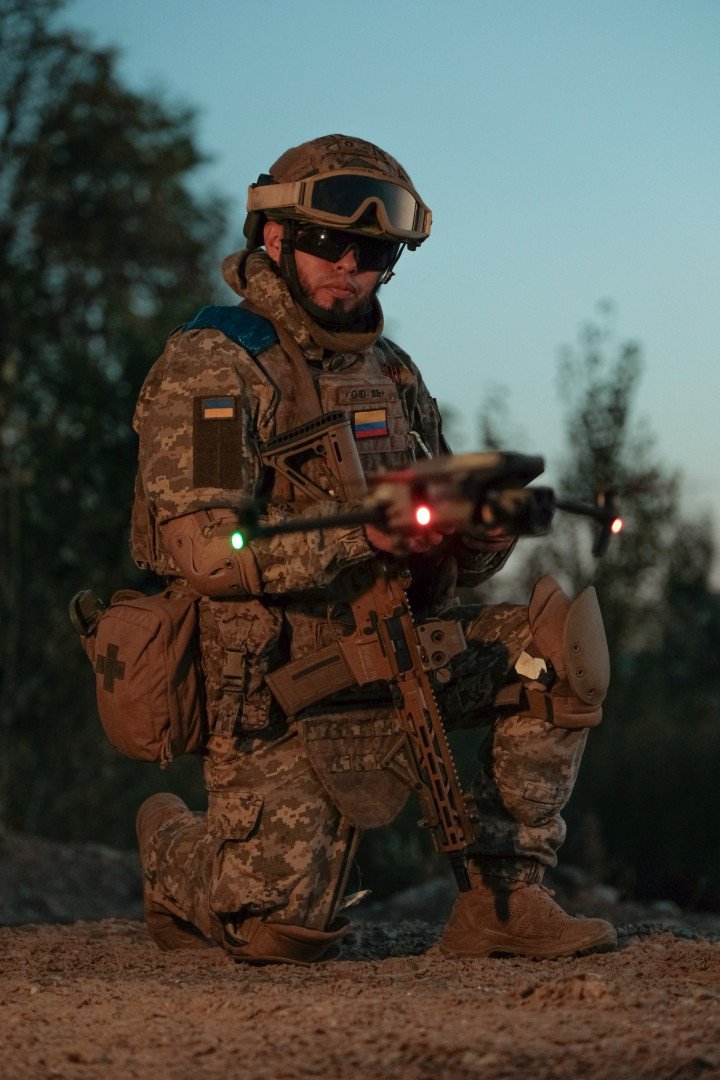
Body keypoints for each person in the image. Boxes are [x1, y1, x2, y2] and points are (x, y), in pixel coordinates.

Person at [131, 133, 616, 963]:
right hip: (279, 680)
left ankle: (504, 897)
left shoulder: (392, 374)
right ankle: (171, 849)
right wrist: (359, 536)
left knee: (557, 651)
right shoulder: (215, 366)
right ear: (275, 238)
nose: (350, 265)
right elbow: (208, 553)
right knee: (285, 931)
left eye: (374, 250)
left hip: (398, 647)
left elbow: (443, 558)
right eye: (328, 242)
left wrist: (479, 537)